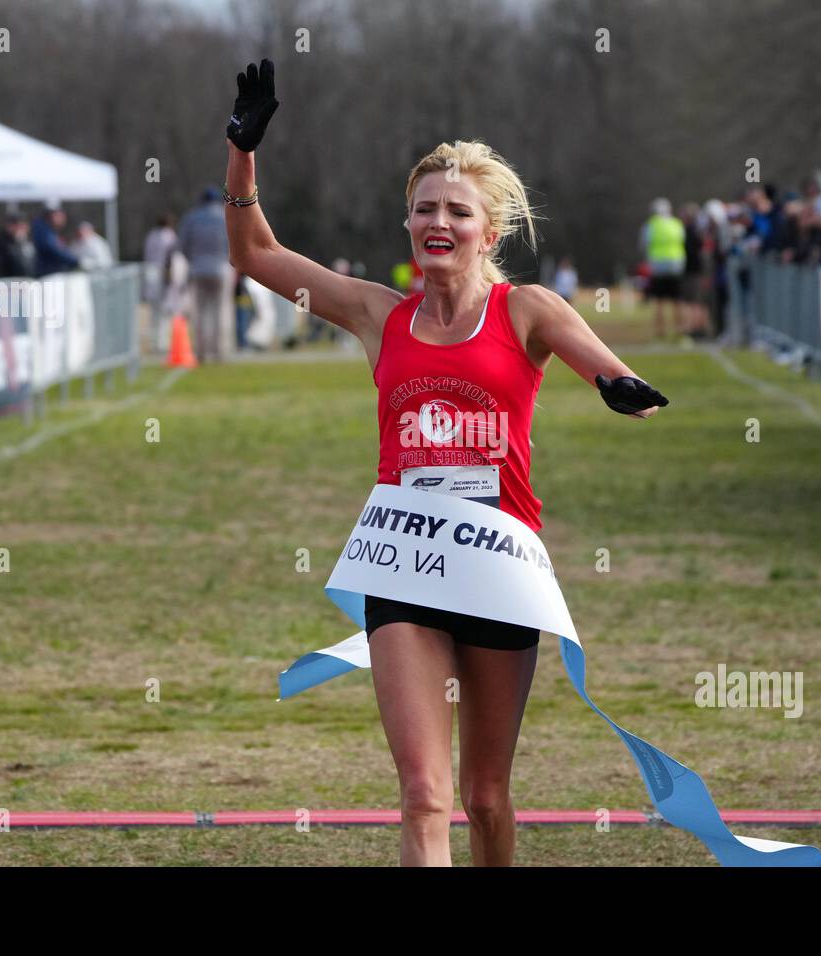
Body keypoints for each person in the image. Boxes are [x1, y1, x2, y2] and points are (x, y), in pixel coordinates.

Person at [221, 59, 667, 867]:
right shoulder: (375, 314)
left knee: (485, 797)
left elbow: (598, 360)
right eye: (424, 208)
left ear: (487, 233)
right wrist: (242, 153)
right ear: (409, 225)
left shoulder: (525, 310)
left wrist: (620, 383)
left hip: (499, 565)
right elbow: (258, 256)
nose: (438, 220)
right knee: (424, 794)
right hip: (406, 561)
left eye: (457, 211)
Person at [177, 185, 231, 362]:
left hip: (198, 269)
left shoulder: (192, 218)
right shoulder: (225, 217)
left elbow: (183, 246)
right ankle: (219, 352)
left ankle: (201, 352)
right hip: (220, 268)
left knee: (200, 313)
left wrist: (193, 259)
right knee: (220, 311)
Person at [639, 197, 686, 338]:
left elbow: (644, 244)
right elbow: (682, 240)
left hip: (658, 266)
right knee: (677, 300)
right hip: (676, 265)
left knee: (659, 301)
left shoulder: (651, 225)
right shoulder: (677, 223)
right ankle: (680, 331)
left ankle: (660, 332)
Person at [143, 213, 177, 350]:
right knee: (164, 311)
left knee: (154, 312)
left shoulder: (151, 236)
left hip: (151, 273)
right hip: (164, 274)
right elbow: (172, 257)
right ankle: (162, 343)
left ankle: (155, 342)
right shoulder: (170, 236)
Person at [31, 200, 80, 277]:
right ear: (51, 215)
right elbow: (54, 249)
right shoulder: (44, 231)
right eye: (60, 216)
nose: (63, 219)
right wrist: (76, 261)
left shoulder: (49, 231)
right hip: (48, 275)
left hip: (51, 273)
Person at [0, 213, 37, 279]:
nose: (20, 229)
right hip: (9, 284)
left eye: (23, 226)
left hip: (31, 283)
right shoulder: (0, 245)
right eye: (17, 225)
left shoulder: (31, 242)